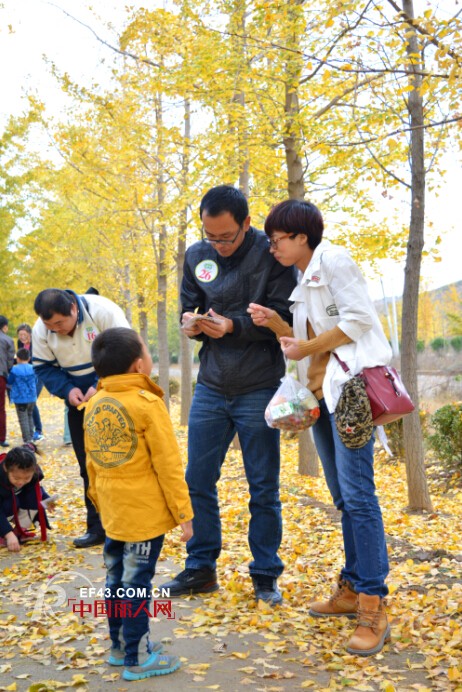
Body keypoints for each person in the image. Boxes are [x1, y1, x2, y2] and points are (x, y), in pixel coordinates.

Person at [247, 199, 392, 656]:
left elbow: (359, 321)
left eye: (277, 240)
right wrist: (275, 323)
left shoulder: (335, 260)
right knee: (343, 498)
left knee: (361, 498)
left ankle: (373, 604)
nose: (272, 248)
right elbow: (308, 343)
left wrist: (306, 342)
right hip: (323, 397)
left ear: (301, 237)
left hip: (350, 395)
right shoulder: (303, 275)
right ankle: (351, 589)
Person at [160, 185, 297, 606]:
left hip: (259, 384)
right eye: (210, 236)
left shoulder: (270, 255)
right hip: (212, 384)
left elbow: (284, 317)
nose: (217, 246)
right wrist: (189, 323)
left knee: (263, 486)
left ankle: (265, 575)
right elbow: (189, 305)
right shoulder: (196, 255)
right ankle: (201, 567)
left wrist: (235, 326)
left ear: (246, 225)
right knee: (197, 479)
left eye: (226, 237)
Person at [84, 327, 193, 681]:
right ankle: (137, 658)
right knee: (136, 584)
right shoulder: (147, 404)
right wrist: (184, 516)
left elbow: (91, 464)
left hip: (114, 513)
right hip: (143, 518)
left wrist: (99, 504)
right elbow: (169, 465)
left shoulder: (95, 404)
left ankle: (119, 647)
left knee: (116, 577)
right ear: (138, 366)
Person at [32, 288, 130, 548]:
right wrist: (67, 390)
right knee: (89, 465)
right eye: (49, 324)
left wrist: (102, 384)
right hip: (78, 403)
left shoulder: (104, 311)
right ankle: (97, 528)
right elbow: (43, 367)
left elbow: (127, 352)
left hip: (118, 394)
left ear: (74, 308)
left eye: (60, 323)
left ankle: (128, 526)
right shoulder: (41, 329)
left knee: (121, 462)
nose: (56, 329)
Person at [0, 443, 53, 551]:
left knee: (34, 497)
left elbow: (37, 490)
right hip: (5, 505)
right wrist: (8, 534)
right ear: (6, 468)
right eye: (16, 478)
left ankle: (20, 530)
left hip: (13, 502)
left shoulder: (32, 475)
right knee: (9, 503)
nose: (21, 482)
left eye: (26, 478)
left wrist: (47, 500)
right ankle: (4, 533)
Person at [16, 323, 44, 442]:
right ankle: (32, 431)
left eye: (24, 334)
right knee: (30, 401)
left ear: (30, 334)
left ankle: (38, 430)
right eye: (20, 335)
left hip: (38, 374)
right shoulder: (20, 344)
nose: (22, 337)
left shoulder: (35, 343)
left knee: (32, 401)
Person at [7, 348, 37, 444]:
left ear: (18, 359)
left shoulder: (14, 369)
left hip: (20, 399)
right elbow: (36, 381)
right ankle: (31, 436)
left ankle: (27, 440)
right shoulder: (33, 368)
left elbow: (9, 381)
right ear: (29, 358)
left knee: (23, 419)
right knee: (30, 416)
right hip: (32, 397)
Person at [0, 316, 15, 448]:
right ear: (4, 326)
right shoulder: (7, 340)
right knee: (0, 408)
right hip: (1, 375)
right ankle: (1, 438)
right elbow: (10, 361)